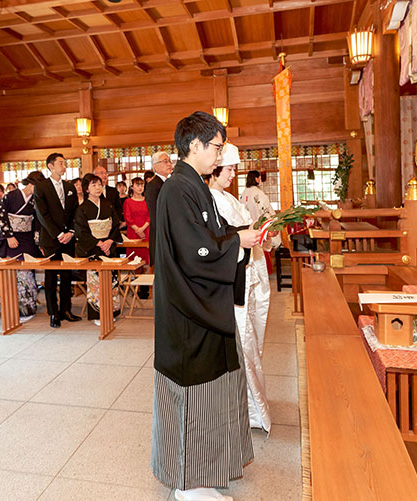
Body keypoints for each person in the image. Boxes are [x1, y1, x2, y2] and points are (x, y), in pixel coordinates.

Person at [151, 111, 259, 501]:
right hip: (188, 312)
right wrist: (236, 244)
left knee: (211, 398)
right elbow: (197, 253)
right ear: (193, 145)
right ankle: (187, 485)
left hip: (200, 305)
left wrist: (238, 236)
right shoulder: (178, 188)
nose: (219, 155)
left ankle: (202, 474)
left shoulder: (193, 184)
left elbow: (211, 237)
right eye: (216, 147)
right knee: (193, 401)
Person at [207, 143, 272, 433]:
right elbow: (221, 240)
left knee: (250, 341)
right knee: (240, 344)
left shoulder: (229, 198)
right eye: (230, 168)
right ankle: (244, 408)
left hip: (246, 274)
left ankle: (253, 409)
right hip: (230, 280)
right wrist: (244, 238)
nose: (234, 174)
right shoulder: (208, 199)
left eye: (235, 169)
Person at [33, 152, 81, 328]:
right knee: (51, 276)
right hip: (51, 239)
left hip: (68, 238)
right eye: (61, 163)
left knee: (67, 275)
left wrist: (70, 232)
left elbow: (75, 211)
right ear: (50, 166)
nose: (64, 166)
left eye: (65, 163)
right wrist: (58, 234)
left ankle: (66, 310)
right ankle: (53, 313)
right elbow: (42, 214)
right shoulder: (42, 187)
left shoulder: (69, 187)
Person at [0, 170, 46, 318]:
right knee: (12, 272)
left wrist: (37, 240)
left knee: (27, 273)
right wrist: (8, 236)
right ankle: (12, 307)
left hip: (27, 238)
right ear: (30, 183)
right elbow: (0, 216)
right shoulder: (11, 196)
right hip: (11, 238)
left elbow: (37, 220)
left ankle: (28, 308)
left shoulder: (35, 199)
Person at [73, 173, 122, 325]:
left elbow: (115, 225)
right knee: (96, 282)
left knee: (111, 281)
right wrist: (99, 244)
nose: (98, 187)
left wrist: (109, 241)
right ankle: (98, 313)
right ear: (86, 189)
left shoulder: (108, 205)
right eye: (93, 185)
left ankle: (112, 310)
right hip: (93, 249)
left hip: (108, 247)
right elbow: (81, 231)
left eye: (99, 184)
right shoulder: (82, 209)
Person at [145, 151, 173, 267]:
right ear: (155, 166)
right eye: (165, 161)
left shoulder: (170, 182)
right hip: (161, 235)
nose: (169, 164)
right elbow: (154, 214)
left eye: (169, 161)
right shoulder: (153, 185)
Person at [122, 177, 150, 264]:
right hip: (133, 232)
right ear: (132, 187)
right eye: (137, 185)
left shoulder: (147, 200)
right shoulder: (128, 202)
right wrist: (137, 230)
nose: (140, 187)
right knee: (133, 258)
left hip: (146, 230)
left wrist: (142, 229)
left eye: (142, 185)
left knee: (146, 257)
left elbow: (150, 216)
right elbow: (128, 218)